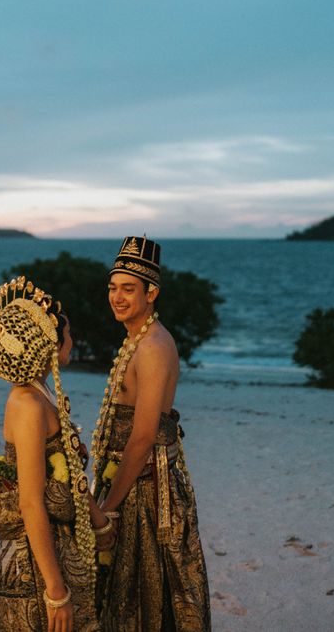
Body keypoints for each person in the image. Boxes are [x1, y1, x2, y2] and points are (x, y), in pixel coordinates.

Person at [0, 275, 111, 632]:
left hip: (59, 542)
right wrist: (55, 591)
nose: (73, 340)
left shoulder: (41, 392)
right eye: (68, 334)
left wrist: (99, 522)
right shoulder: (27, 404)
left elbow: (69, 468)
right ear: (49, 341)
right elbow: (31, 503)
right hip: (36, 560)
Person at [92, 237, 211, 632]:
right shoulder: (136, 339)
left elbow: (142, 438)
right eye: (113, 287)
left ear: (152, 292)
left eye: (129, 289)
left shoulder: (154, 347)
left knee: (145, 601)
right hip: (127, 483)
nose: (117, 297)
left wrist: (108, 507)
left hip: (145, 491)